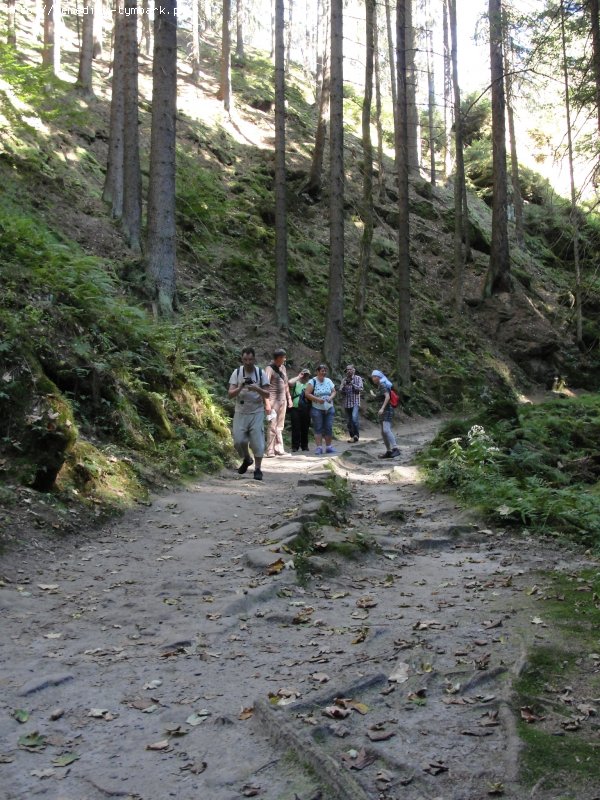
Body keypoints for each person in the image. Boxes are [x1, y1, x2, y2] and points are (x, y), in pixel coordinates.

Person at [228, 347, 271, 480]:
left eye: (250, 359)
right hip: (240, 411)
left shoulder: (260, 373)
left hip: (257, 411)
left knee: (257, 442)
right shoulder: (237, 372)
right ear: (242, 359)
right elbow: (230, 394)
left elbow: (267, 394)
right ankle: (247, 458)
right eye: (245, 359)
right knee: (238, 441)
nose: (248, 362)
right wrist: (240, 387)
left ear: (254, 359)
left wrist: (256, 388)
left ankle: (258, 469)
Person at [264, 348, 293, 457]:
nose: (285, 359)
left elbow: (286, 384)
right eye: (283, 357)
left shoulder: (283, 368)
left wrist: (289, 398)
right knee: (272, 424)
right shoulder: (269, 369)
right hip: (272, 400)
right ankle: (270, 450)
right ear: (278, 358)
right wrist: (267, 403)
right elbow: (264, 387)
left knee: (280, 426)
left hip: (283, 400)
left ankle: (279, 449)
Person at [304, 364, 337, 455]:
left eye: (325, 371)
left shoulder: (328, 381)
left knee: (328, 427)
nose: (324, 372)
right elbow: (307, 394)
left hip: (329, 408)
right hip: (317, 408)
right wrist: (318, 399)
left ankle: (329, 447)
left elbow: (334, 392)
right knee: (318, 427)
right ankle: (319, 447)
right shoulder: (312, 381)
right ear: (317, 372)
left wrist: (330, 398)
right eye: (322, 371)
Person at [371, 369, 400, 459]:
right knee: (383, 432)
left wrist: (382, 408)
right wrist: (374, 395)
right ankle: (388, 451)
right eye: (372, 377)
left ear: (379, 377)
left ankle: (395, 449)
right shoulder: (380, 385)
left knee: (386, 430)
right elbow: (382, 397)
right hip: (382, 410)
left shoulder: (382, 384)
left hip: (386, 410)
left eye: (375, 376)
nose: (373, 378)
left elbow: (387, 397)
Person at [288, 368, 312, 453]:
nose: (305, 376)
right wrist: (299, 376)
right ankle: (295, 446)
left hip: (306, 408)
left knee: (305, 427)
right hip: (295, 408)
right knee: (295, 427)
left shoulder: (310, 384)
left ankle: (304, 446)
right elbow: (289, 382)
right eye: (304, 374)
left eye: (307, 375)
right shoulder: (296, 383)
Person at [339, 364, 363, 442]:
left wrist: (352, 384)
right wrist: (343, 386)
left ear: (353, 370)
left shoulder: (358, 378)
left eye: (350, 369)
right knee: (349, 422)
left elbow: (361, 389)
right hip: (347, 403)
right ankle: (352, 436)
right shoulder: (344, 380)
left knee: (354, 418)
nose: (348, 371)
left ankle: (356, 435)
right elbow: (341, 391)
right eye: (347, 370)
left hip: (355, 402)